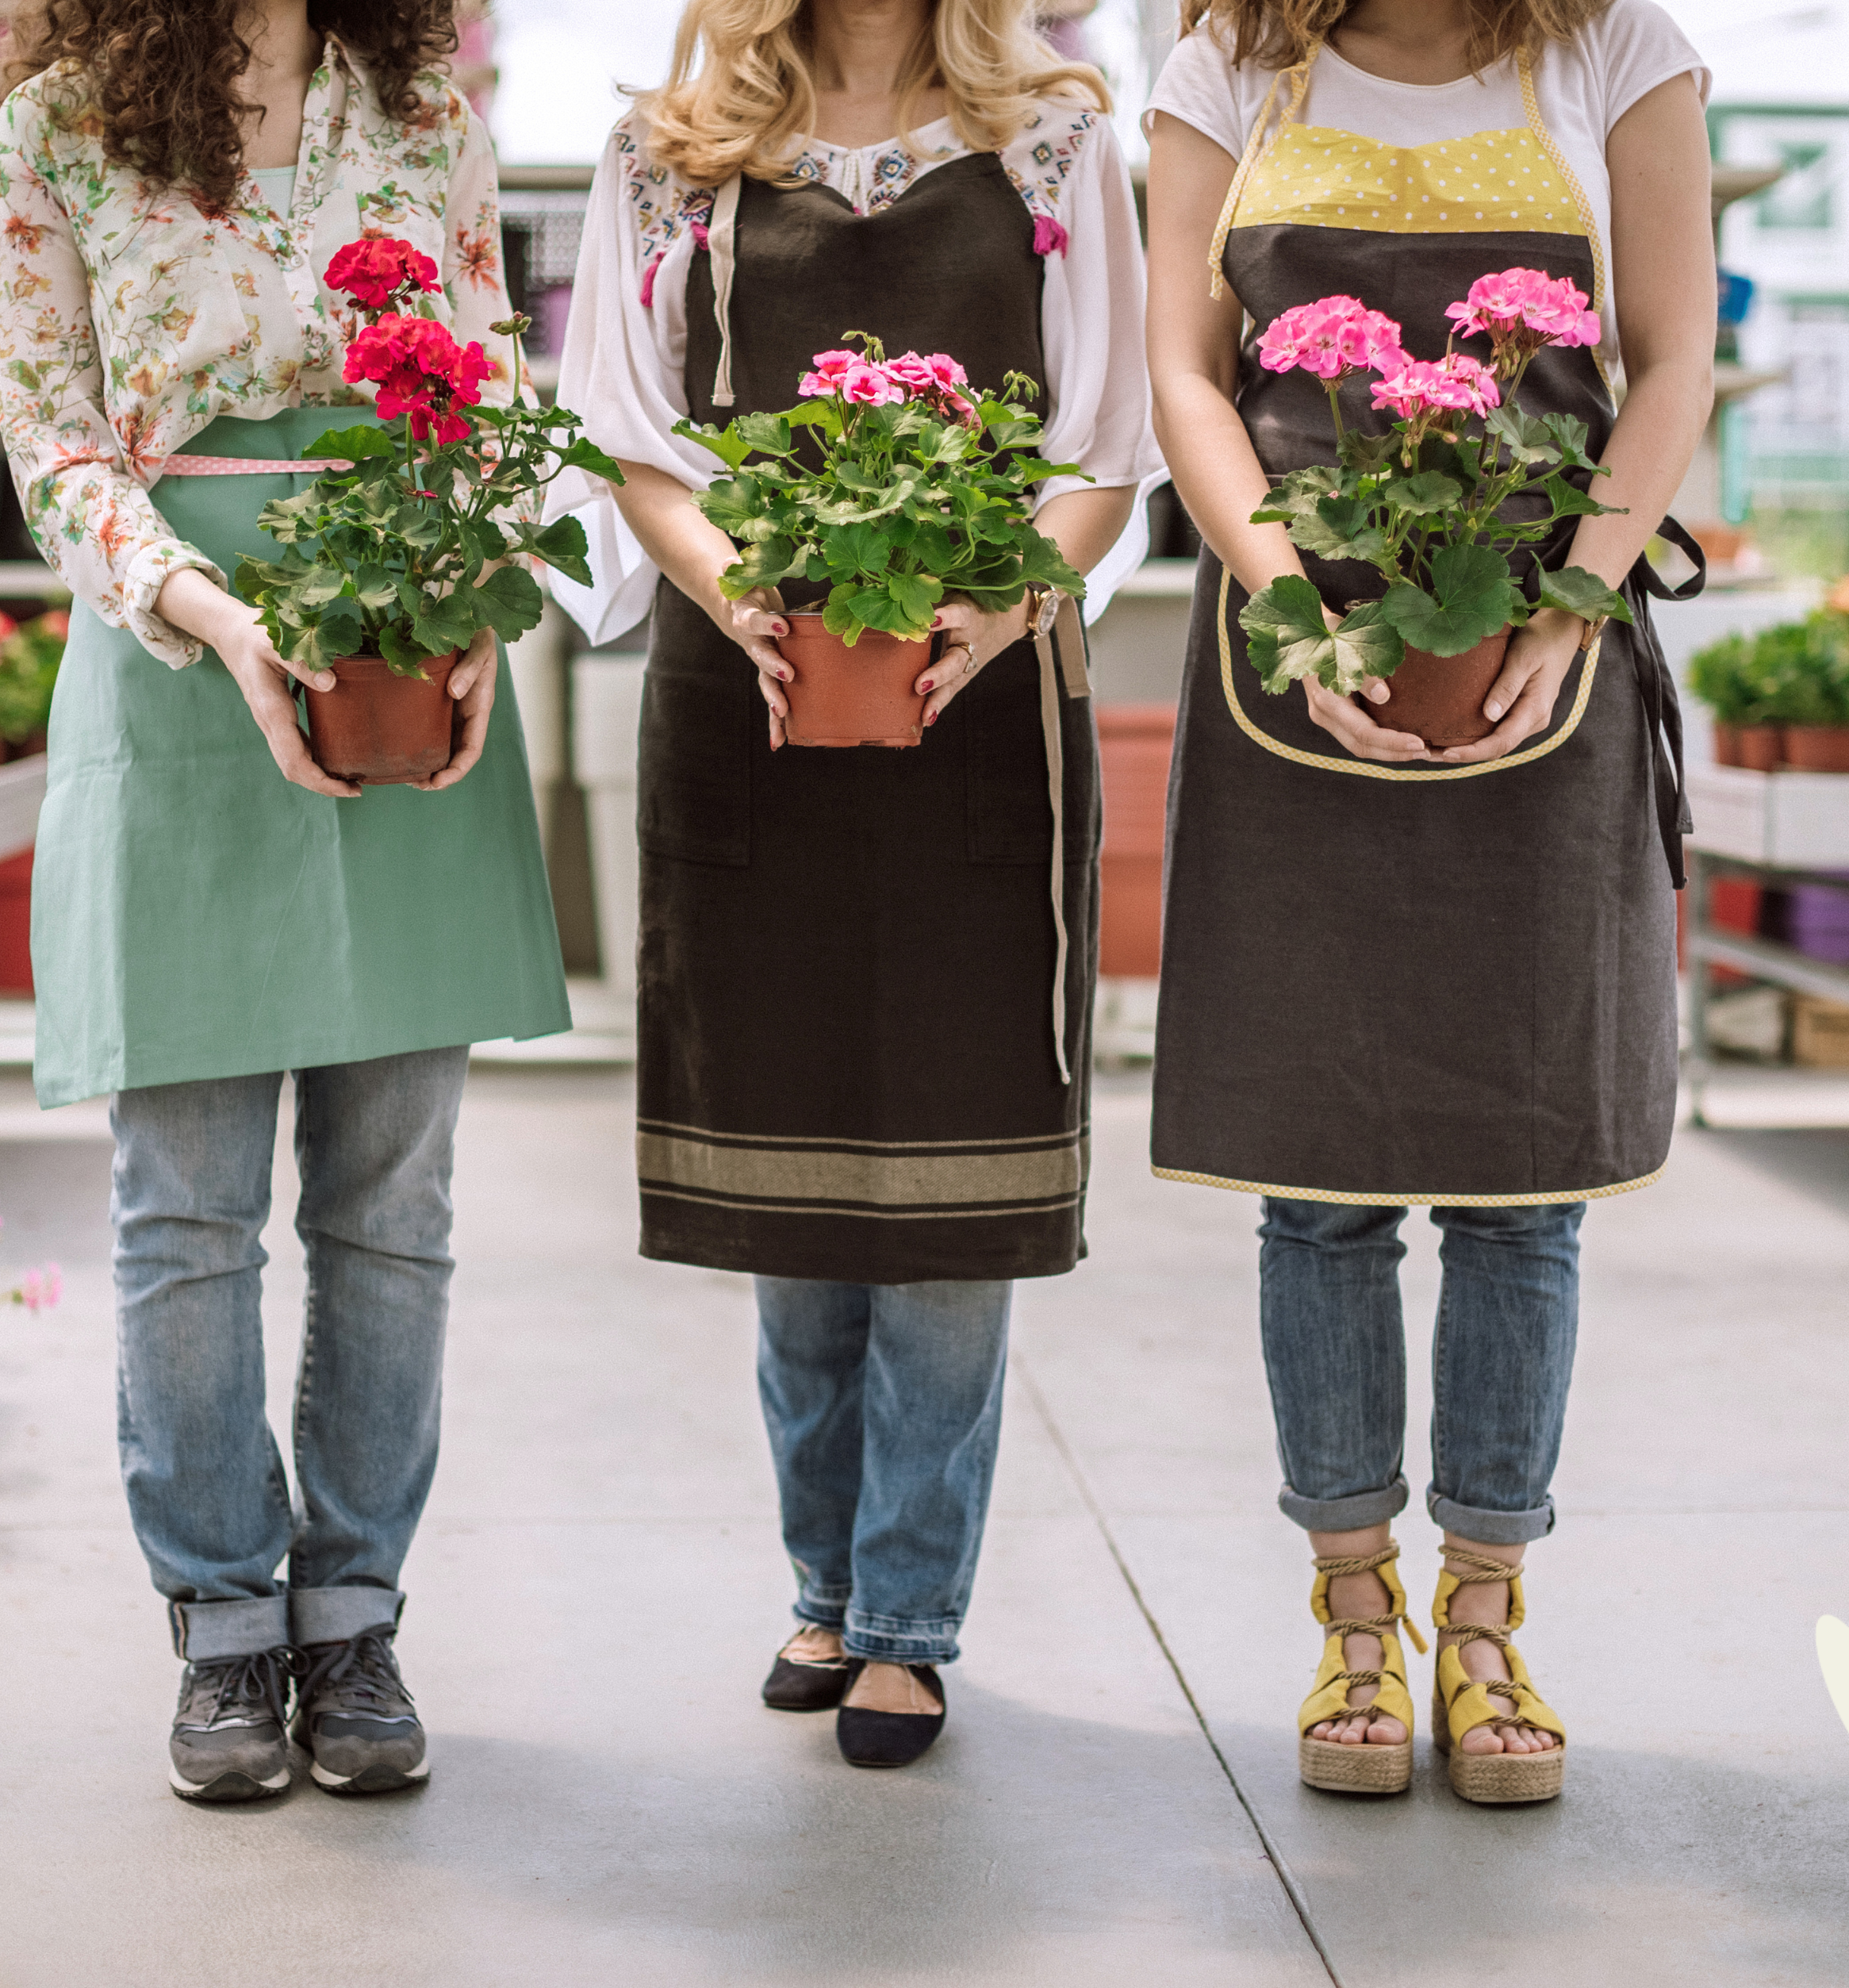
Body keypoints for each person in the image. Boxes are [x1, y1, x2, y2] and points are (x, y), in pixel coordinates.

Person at [554, 0, 1160, 1767]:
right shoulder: (664, 153)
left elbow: (1107, 446)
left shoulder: (1056, 144)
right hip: (746, 696)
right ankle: (821, 1585)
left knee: (954, 1183)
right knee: (795, 1173)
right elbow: (632, 435)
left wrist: (1000, 606)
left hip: (984, 702)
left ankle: (905, 1616)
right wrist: (734, 585)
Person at [0, 0, 569, 1802]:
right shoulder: (55, 132)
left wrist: (477, 600)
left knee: (394, 1197)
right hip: (180, 660)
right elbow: (55, 445)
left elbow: (491, 384)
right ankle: (225, 1620)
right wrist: (219, 620)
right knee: (185, 1199)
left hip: (404, 626)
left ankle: (355, 1610)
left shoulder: (422, 111)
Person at [1143, 0, 1715, 1802]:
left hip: (1542, 656)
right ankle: (1350, 1614)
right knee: (1315, 1183)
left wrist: (1570, 609)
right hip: (1293, 652)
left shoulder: (1618, 51)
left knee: (1521, 1178)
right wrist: (1286, 601)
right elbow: (1184, 375)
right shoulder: (1227, 64)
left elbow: (1672, 360)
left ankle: (1482, 1614)